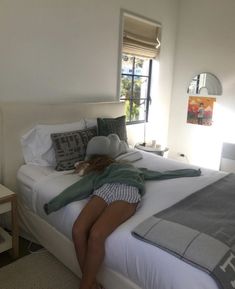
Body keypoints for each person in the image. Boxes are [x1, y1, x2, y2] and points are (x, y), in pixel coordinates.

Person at [72, 155, 141, 289]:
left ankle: (84, 285)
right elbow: (78, 182)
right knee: (77, 230)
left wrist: (191, 172)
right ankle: (91, 283)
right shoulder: (98, 172)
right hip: (106, 188)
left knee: (96, 234)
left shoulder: (129, 167)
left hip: (127, 187)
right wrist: (54, 204)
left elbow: (158, 174)